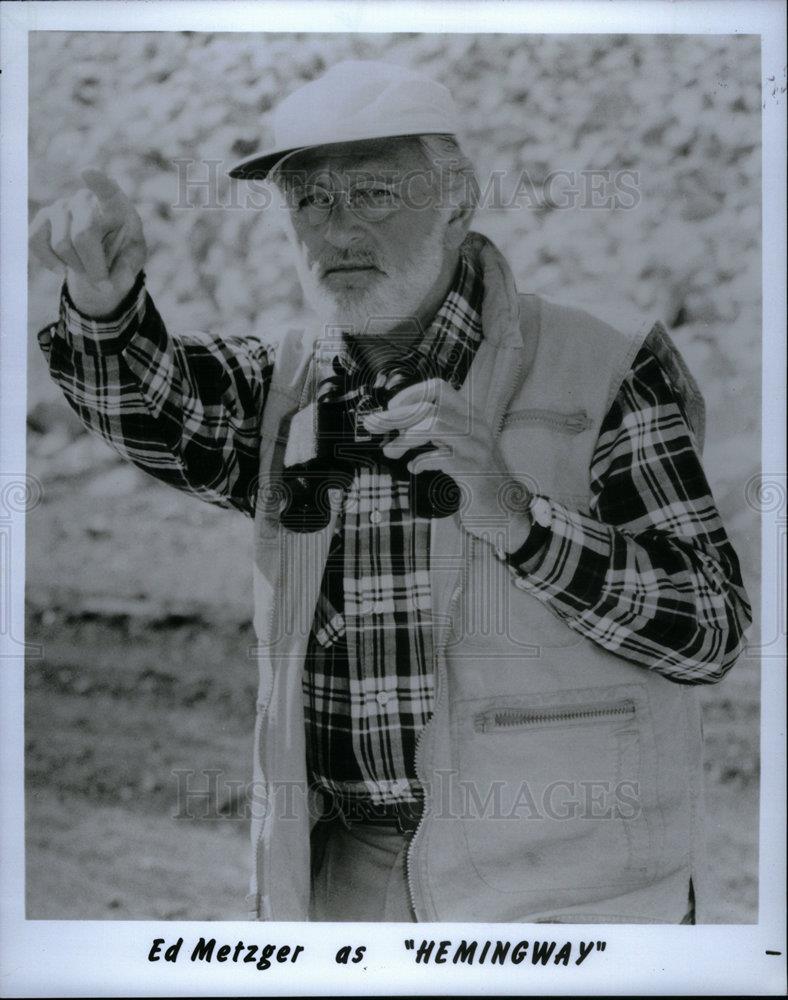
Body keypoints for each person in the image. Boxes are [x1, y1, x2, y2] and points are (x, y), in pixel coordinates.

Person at [30, 60, 752, 923]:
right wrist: (103, 303)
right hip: (348, 891)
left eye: (373, 193)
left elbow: (706, 632)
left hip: (571, 903)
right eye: (310, 202)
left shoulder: (603, 363)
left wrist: (520, 520)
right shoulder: (290, 389)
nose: (336, 233)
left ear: (457, 199)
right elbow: (152, 401)